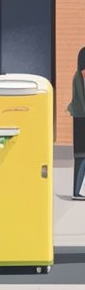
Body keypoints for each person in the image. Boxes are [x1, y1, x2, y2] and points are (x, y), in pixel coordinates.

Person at [68, 47, 85, 200]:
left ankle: (77, 191)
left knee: (82, 156)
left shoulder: (79, 77)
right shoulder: (80, 78)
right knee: (81, 156)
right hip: (82, 121)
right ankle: (76, 192)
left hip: (80, 120)